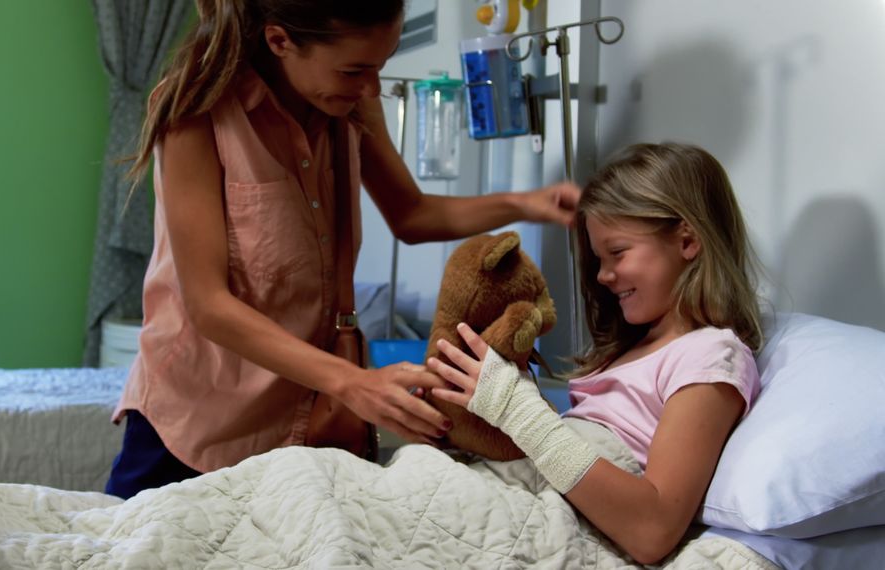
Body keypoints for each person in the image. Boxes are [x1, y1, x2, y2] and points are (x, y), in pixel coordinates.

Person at [104, 0, 581, 500]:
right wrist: (353, 383)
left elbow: (412, 215)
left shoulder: (347, 101)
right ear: (279, 41)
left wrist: (530, 202)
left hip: (309, 412)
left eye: (380, 66)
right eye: (356, 69)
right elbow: (209, 305)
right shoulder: (199, 111)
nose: (371, 87)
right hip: (200, 415)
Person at [428, 142, 763, 564]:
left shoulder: (711, 356)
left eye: (618, 253)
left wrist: (517, 411)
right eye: (600, 259)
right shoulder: (630, 350)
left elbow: (652, 530)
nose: (603, 275)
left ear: (688, 241)